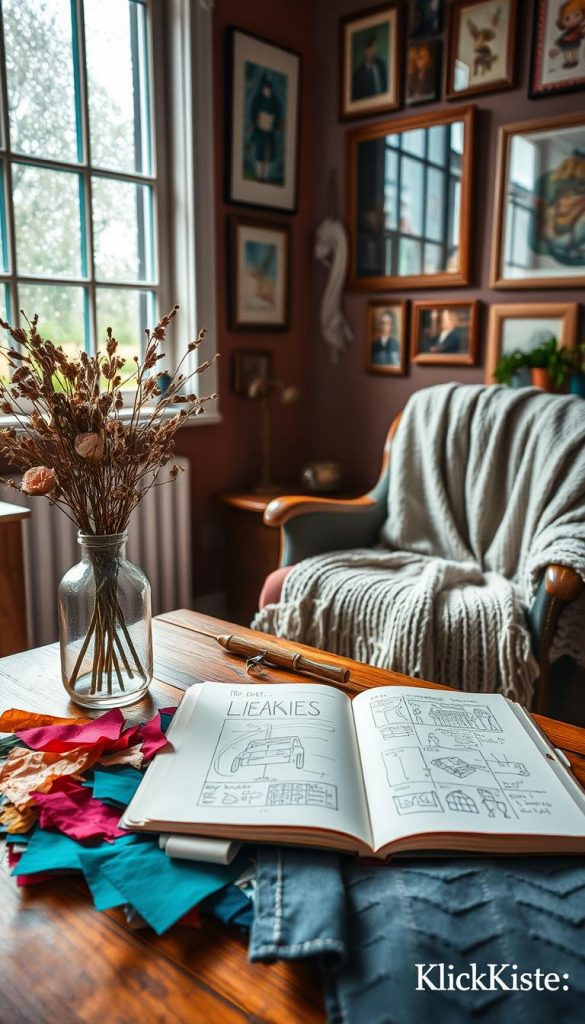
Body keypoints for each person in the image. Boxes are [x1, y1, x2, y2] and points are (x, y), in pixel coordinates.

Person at [249, 74, 282, 182]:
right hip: (260, 129)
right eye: (265, 88)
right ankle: (259, 176)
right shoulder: (258, 100)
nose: (266, 91)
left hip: (270, 130)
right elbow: (254, 112)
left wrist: (276, 123)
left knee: (269, 154)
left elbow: (278, 113)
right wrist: (254, 121)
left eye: (268, 89)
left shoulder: (274, 100)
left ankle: (265, 176)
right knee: (259, 154)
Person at [548, 0, 585, 70]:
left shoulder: (579, 27)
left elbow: (582, 33)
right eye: (567, 18)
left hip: (575, 42)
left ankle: (574, 60)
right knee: (567, 52)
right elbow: (564, 36)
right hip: (567, 42)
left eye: (577, 15)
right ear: (561, 21)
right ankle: (568, 62)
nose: (573, 20)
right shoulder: (568, 31)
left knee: (574, 51)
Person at [352, 35, 387, 100]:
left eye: (374, 47)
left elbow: (386, 85)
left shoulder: (381, 64)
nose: (374, 50)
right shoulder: (358, 73)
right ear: (364, 50)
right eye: (370, 48)